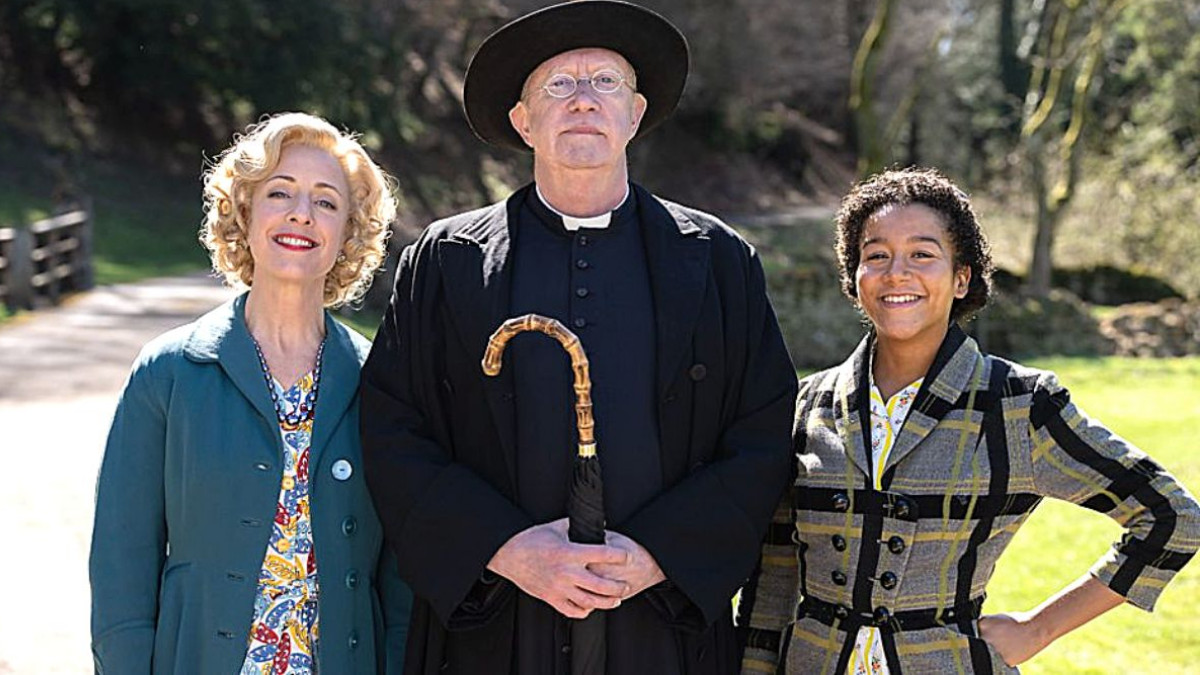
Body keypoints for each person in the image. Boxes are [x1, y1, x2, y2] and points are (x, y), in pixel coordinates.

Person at [358, 1, 797, 673]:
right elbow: (393, 425)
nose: (583, 101)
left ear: (636, 113)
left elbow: (761, 431)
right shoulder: (445, 261)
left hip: (662, 625)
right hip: (494, 624)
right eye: (558, 85)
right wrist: (507, 549)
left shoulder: (716, 259)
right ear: (523, 120)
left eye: (605, 83)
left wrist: (657, 556)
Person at [737, 167, 1200, 674]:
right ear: (854, 279)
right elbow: (774, 578)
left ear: (962, 278)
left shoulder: (1019, 406)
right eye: (876, 256)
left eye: (922, 254)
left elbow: (1171, 518)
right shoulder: (804, 405)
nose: (897, 272)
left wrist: (1037, 628)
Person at [89, 112, 413, 674]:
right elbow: (122, 571)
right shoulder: (169, 372)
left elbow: (400, 586)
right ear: (243, 213)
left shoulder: (380, 382)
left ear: (349, 233)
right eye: (279, 193)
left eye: (327, 202)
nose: (300, 214)